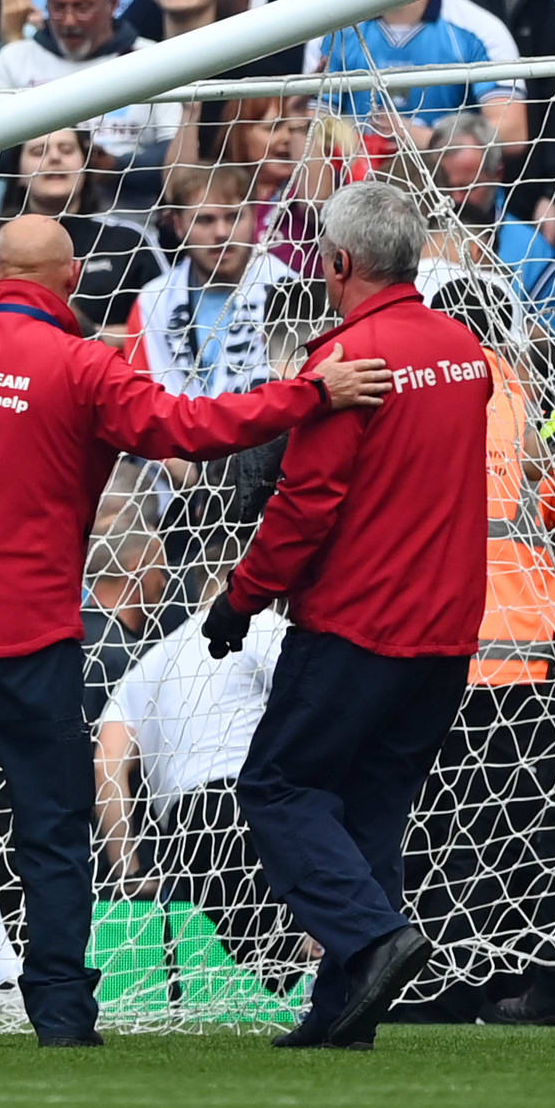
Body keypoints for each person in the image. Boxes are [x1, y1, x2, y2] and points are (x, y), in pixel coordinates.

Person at [0, 213, 332, 1044]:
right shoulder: (88, 367)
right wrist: (311, 391)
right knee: (51, 818)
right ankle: (58, 1007)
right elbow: (195, 429)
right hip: (31, 632)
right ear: (72, 279)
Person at [198, 182, 493, 1047]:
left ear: (337, 263)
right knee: (371, 811)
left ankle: (369, 940)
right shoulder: (463, 353)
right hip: (446, 633)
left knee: (279, 786)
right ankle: (342, 1015)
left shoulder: (348, 364)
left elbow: (304, 504)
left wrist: (240, 598)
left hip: (359, 621)